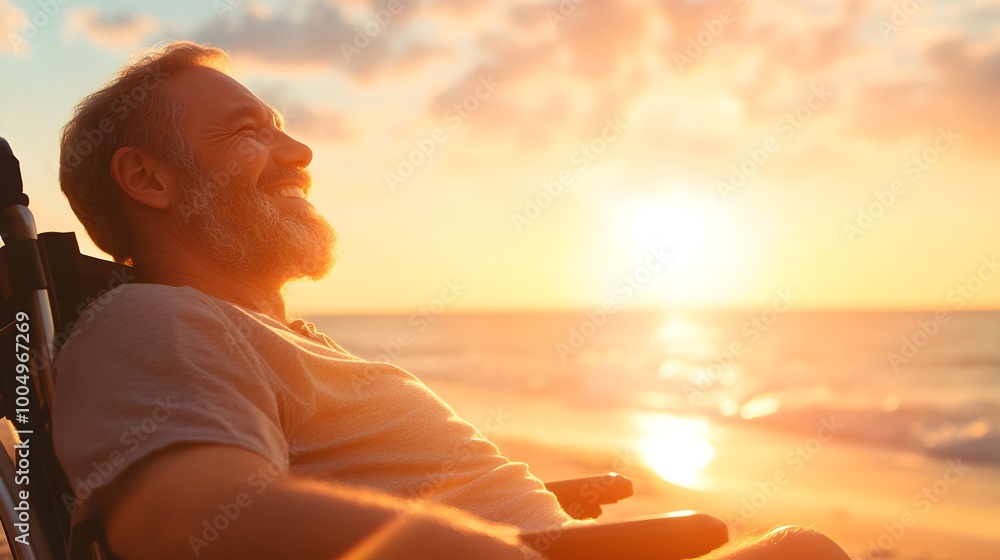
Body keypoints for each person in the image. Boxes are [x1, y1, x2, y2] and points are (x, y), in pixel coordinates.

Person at [52, 41, 851, 560]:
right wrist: (500, 549)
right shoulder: (160, 320)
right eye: (247, 133)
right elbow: (189, 521)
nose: (299, 153)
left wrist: (527, 515)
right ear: (147, 179)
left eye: (284, 128)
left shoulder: (272, 340)